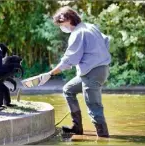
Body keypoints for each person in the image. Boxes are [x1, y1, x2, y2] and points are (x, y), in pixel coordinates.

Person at [38, 6, 111, 137]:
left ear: (69, 19)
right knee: (68, 90)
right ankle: (77, 127)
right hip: (100, 69)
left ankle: (104, 137)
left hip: (92, 72)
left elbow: (69, 60)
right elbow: (106, 41)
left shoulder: (77, 33)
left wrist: (50, 73)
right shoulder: (90, 26)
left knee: (94, 106)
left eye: (61, 23)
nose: (61, 26)